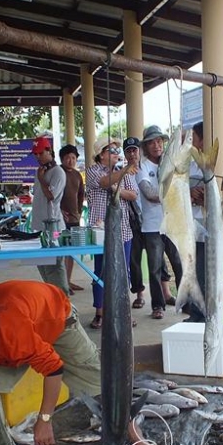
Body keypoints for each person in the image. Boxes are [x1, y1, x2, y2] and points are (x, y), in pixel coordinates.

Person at [0, 280, 149, 445]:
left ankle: (135, 436)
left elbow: (54, 370)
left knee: (98, 380)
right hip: (13, 327)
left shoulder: (11, 334)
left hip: (56, 318)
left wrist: (44, 420)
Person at [85, 138, 139, 330]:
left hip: (123, 231)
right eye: (112, 149)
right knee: (100, 272)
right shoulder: (92, 171)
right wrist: (123, 173)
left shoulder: (121, 171)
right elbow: (103, 182)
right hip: (101, 232)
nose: (117, 152)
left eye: (118, 149)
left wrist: (117, 188)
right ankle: (100, 313)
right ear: (101, 154)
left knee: (124, 273)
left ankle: (122, 313)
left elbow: (133, 194)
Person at [140, 124, 183, 307]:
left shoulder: (170, 163)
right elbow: (149, 194)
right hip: (152, 226)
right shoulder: (143, 166)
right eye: (152, 142)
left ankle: (185, 301)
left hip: (171, 223)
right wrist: (171, 193)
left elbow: (181, 186)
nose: (157, 145)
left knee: (179, 264)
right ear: (146, 146)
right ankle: (157, 305)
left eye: (159, 141)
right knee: (155, 268)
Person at [30, 135, 69, 293]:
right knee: (43, 267)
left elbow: (51, 196)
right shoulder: (40, 171)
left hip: (53, 227)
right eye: (35, 154)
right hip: (39, 225)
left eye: (40, 153)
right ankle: (54, 299)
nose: (38, 157)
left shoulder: (58, 172)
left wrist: (41, 179)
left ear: (49, 151)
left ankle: (64, 301)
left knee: (55, 266)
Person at [121, 136, 147, 308]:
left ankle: (166, 293)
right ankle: (139, 294)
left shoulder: (149, 168)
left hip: (153, 220)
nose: (132, 154)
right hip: (134, 222)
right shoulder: (122, 173)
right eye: (128, 151)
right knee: (134, 259)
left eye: (134, 150)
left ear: (140, 151)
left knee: (160, 259)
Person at [185, 122, 207, 323]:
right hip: (191, 228)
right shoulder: (190, 164)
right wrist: (189, 194)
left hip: (208, 229)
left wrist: (204, 198)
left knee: (203, 273)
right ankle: (194, 312)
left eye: (194, 138)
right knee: (191, 272)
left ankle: (201, 315)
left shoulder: (211, 163)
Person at [58, 143, 86, 292]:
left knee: (72, 251)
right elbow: (52, 196)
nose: (71, 161)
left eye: (73, 158)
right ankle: (61, 283)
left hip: (74, 220)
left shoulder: (77, 175)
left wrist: (79, 211)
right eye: (67, 158)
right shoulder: (57, 173)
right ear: (62, 159)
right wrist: (59, 210)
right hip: (59, 221)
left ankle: (68, 281)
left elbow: (81, 194)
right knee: (60, 250)